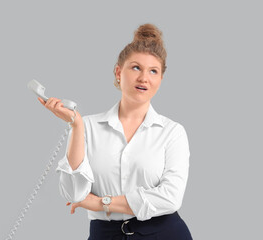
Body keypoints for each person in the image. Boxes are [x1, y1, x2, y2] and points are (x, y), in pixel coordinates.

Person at [38, 23, 193, 240]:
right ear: (118, 72)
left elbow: (171, 198)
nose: (144, 78)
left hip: (164, 233)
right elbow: (74, 194)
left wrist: (102, 202)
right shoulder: (88, 127)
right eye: (136, 67)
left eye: (153, 71)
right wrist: (76, 126)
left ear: (160, 80)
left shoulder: (172, 132)